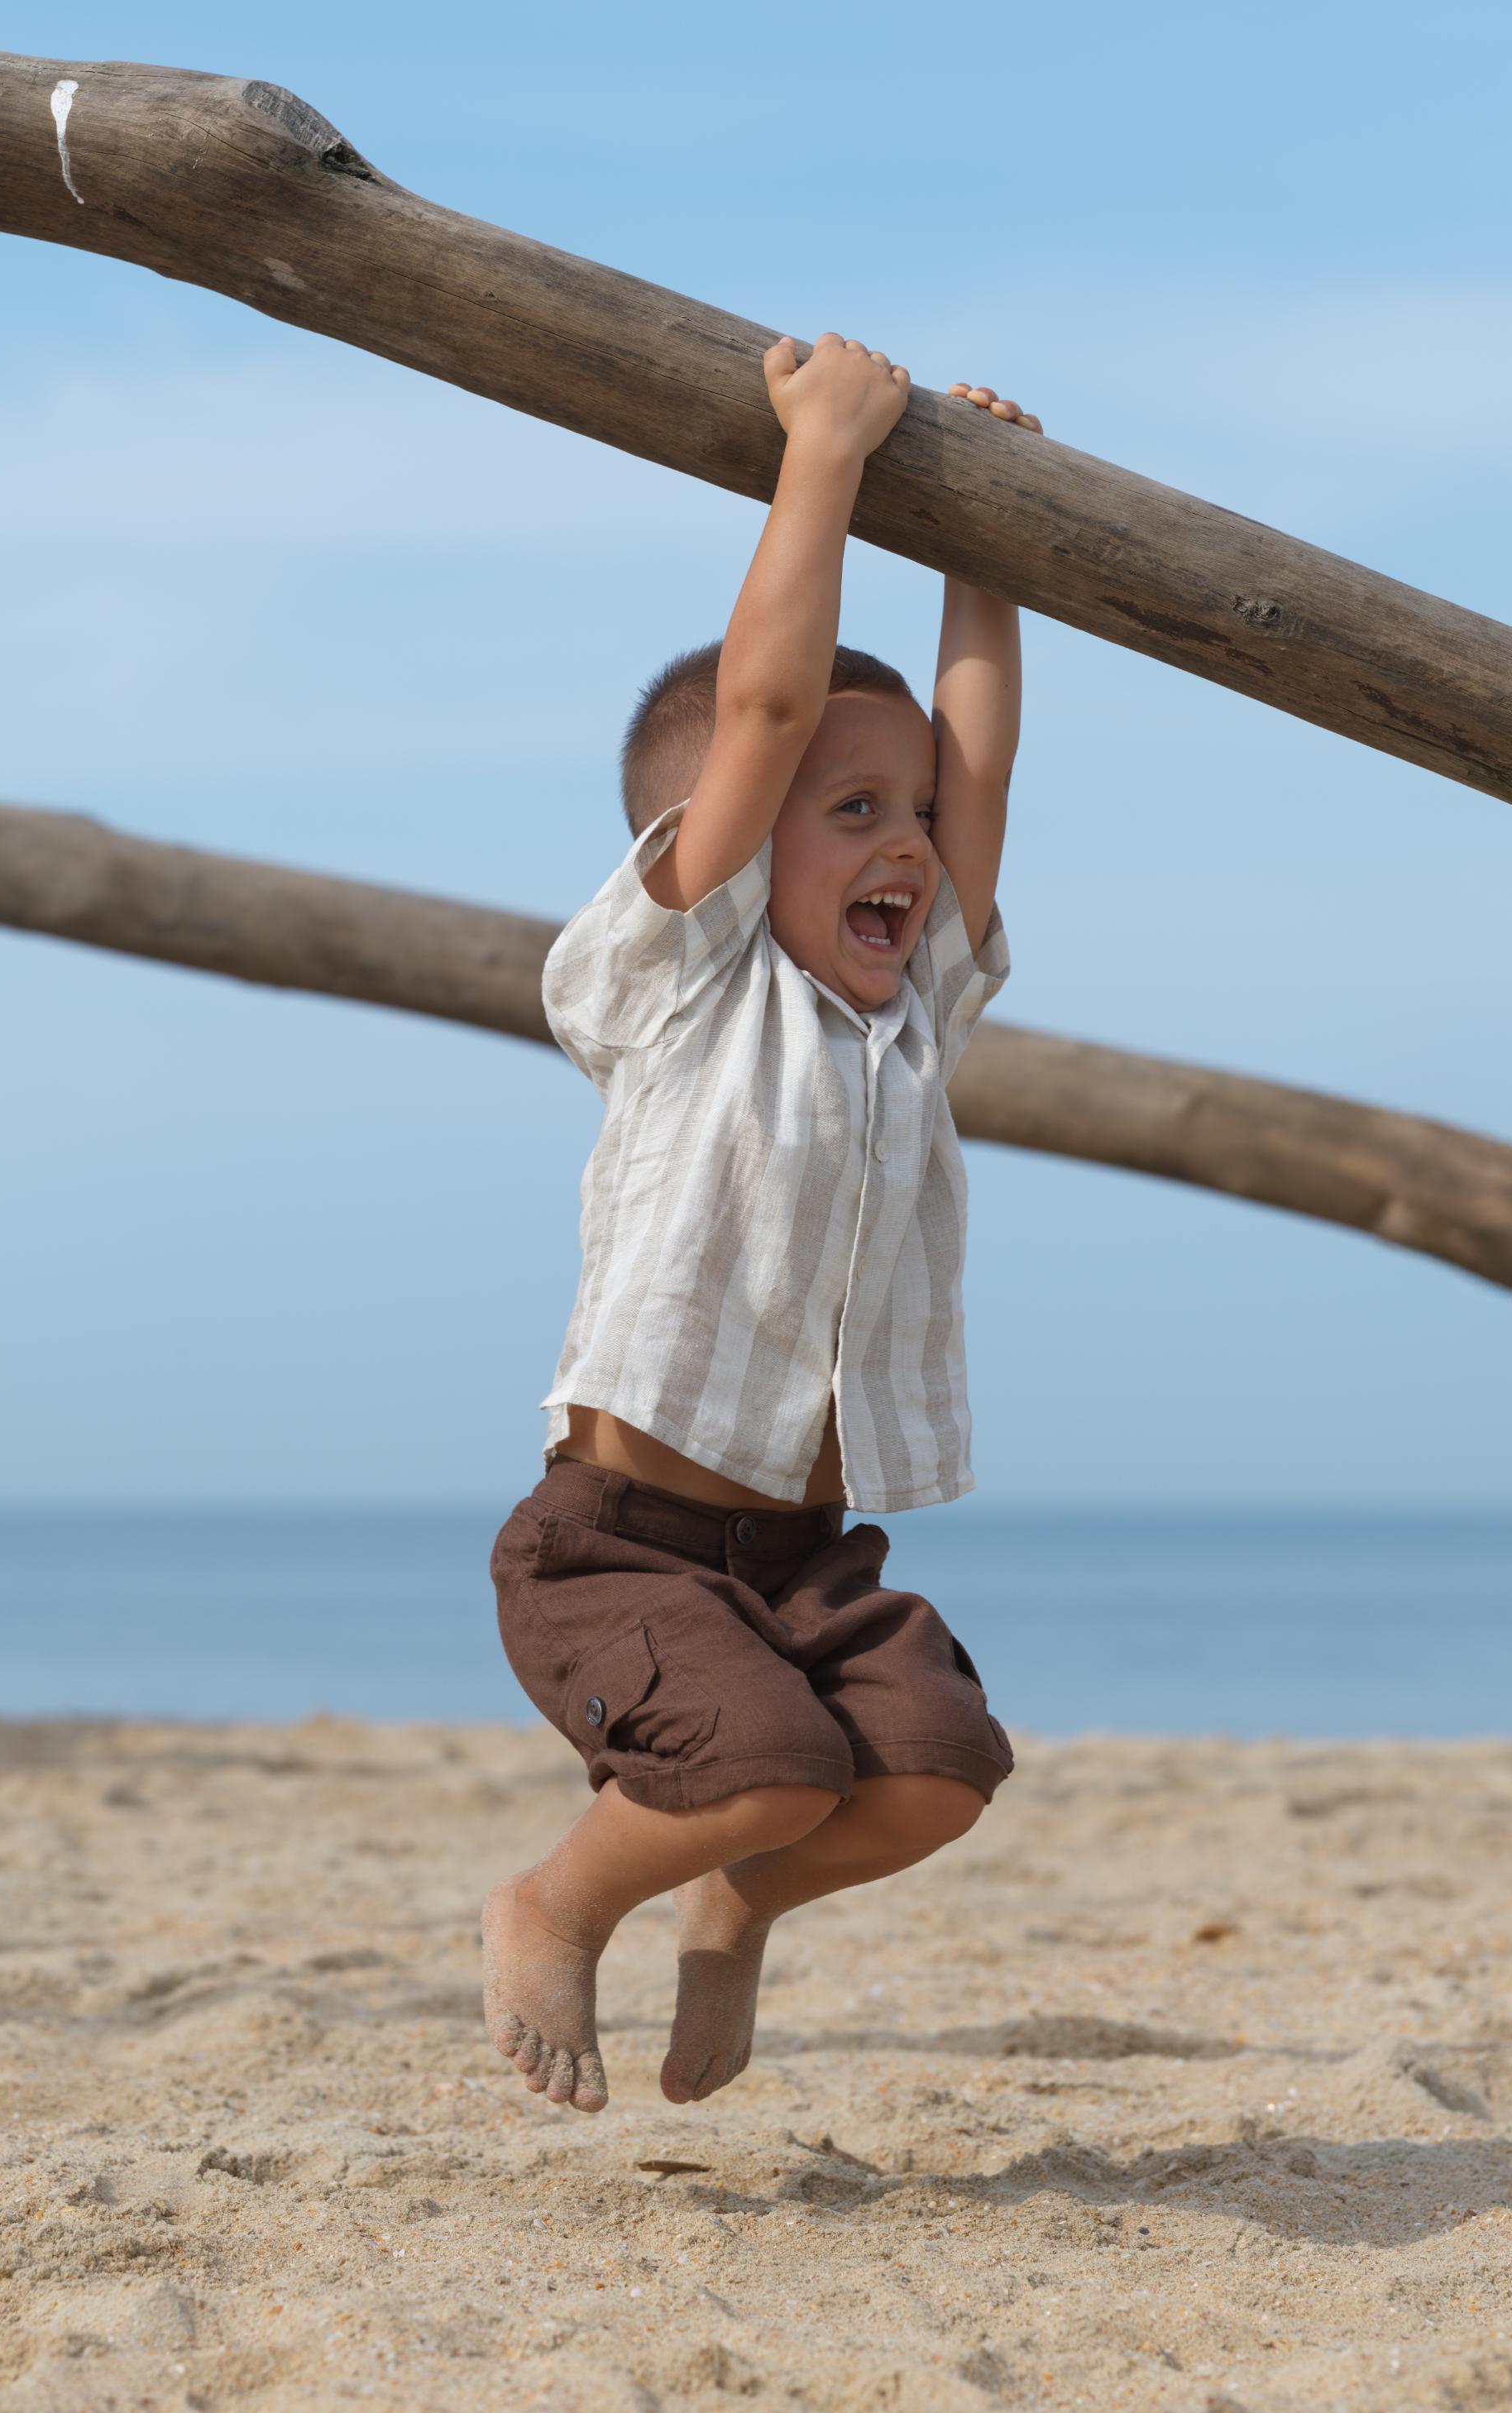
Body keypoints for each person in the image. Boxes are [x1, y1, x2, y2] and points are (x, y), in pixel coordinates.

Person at [481, 333, 1042, 2114]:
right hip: (625, 1544)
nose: (906, 848)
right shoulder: (680, 977)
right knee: (767, 1761)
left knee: (934, 1770)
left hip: (799, 1553)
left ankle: (729, 1911)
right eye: (852, 817)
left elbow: (982, 759)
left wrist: (993, 550)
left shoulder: (912, 1015)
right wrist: (828, 457)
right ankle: (555, 1905)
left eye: (918, 822)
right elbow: (768, 712)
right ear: (710, 832)